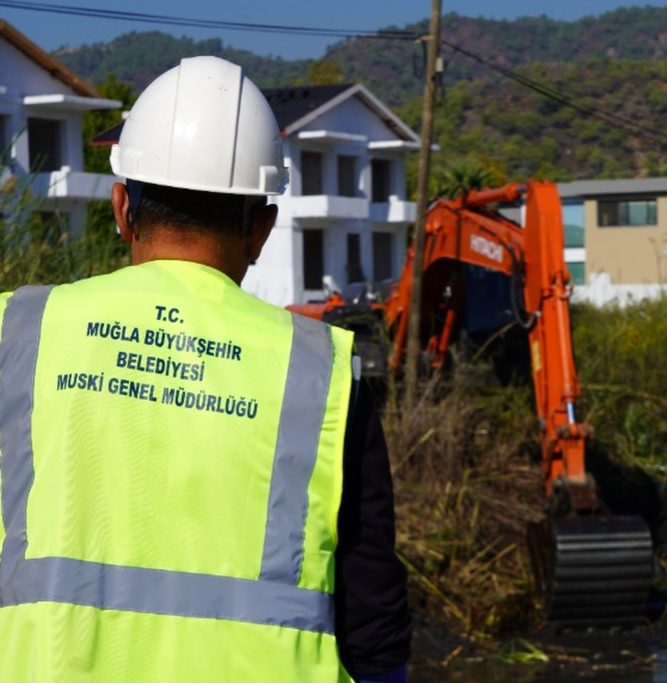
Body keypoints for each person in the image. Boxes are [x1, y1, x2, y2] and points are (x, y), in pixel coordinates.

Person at [0, 56, 410, 682]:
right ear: (263, 229)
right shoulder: (320, 375)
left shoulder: (16, 334)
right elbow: (373, 622)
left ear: (120, 207)